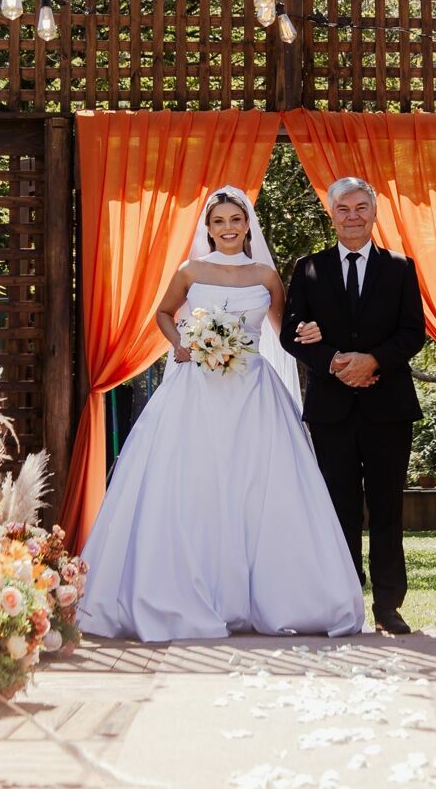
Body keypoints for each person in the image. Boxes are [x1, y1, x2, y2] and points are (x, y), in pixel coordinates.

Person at [78, 187, 363, 641]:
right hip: (198, 392)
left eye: (236, 220)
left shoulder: (267, 276)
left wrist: (312, 332)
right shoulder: (190, 271)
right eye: (219, 222)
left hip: (253, 391)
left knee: (257, 486)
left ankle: (276, 596)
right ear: (208, 229)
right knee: (196, 484)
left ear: (248, 224)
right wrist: (181, 342)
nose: (228, 228)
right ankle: (191, 592)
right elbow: (164, 313)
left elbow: (285, 333)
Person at [281, 177, 428, 636]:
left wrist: (372, 361)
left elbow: (412, 332)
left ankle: (388, 606)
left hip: (389, 406)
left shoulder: (401, 268)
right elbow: (290, 333)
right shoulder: (308, 268)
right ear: (331, 214)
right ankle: (345, 603)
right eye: (343, 208)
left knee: (387, 508)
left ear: (375, 211)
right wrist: (334, 363)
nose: (352, 215)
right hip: (331, 409)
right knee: (338, 508)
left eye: (361, 206)